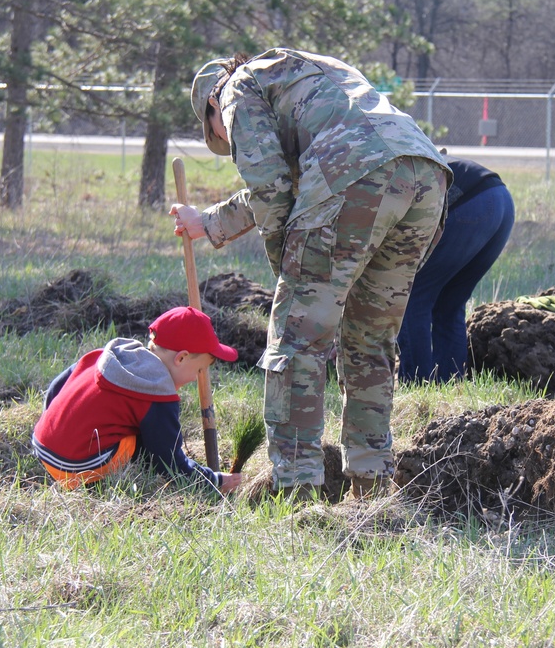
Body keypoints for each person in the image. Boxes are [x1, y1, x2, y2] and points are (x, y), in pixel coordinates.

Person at [171, 48, 450, 500]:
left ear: (211, 110)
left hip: (355, 177)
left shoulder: (236, 92)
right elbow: (302, 176)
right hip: (424, 178)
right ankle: (372, 487)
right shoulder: (301, 75)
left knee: (297, 341)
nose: (227, 138)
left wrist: (293, 279)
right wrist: (209, 222)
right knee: (369, 343)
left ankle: (295, 490)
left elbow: (273, 188)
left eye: (219, 134)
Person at [32, 306, 241, 493]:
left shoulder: (109, 356)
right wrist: (212, 481)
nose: (197, 378)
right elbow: (168, 462)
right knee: (142, 442)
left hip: (42, 444)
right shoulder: (157, 392)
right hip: (76, 468)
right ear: (181, 358)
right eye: (199, 370)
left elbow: (56, 388)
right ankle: (94, 485)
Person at [397, 156, 515, 383]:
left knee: (412, 297)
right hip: (503, 202)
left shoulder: (391, 174)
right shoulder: (414, 157)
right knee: (448, 304)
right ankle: (448, 383)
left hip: (473, 204)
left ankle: (416, 385)